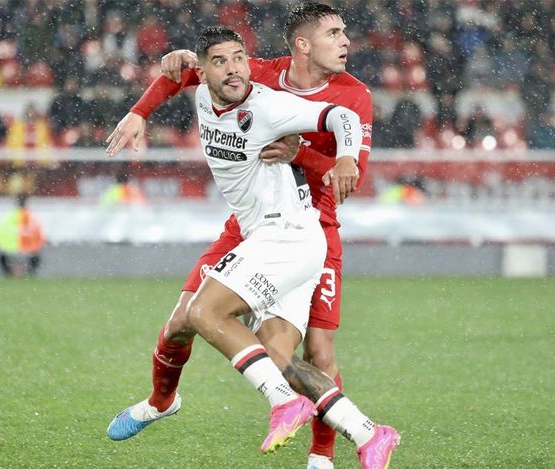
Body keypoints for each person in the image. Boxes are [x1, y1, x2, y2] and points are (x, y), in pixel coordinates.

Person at [106, 26, 399, 469]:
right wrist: (139, 112)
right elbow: (177, 73)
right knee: (265, 354)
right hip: (260, 231)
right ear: (203, 72)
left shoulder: (272, 104)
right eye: (220, 63)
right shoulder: (218, 85)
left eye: (238, 59)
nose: (233, 69)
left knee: (206, 314)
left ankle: (295, 419)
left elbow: (341, 118)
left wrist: (341, 157)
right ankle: (369, 433)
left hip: (289, 235)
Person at [0, 195, 44, 277]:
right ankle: (30, 273)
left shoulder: (9, 217)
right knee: (35, 256)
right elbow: (38, 233)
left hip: (11, 248)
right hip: (26, 249)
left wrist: (4, 246)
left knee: (2, 257)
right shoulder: (31, 217)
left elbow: (1, 233)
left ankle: (8, 273)